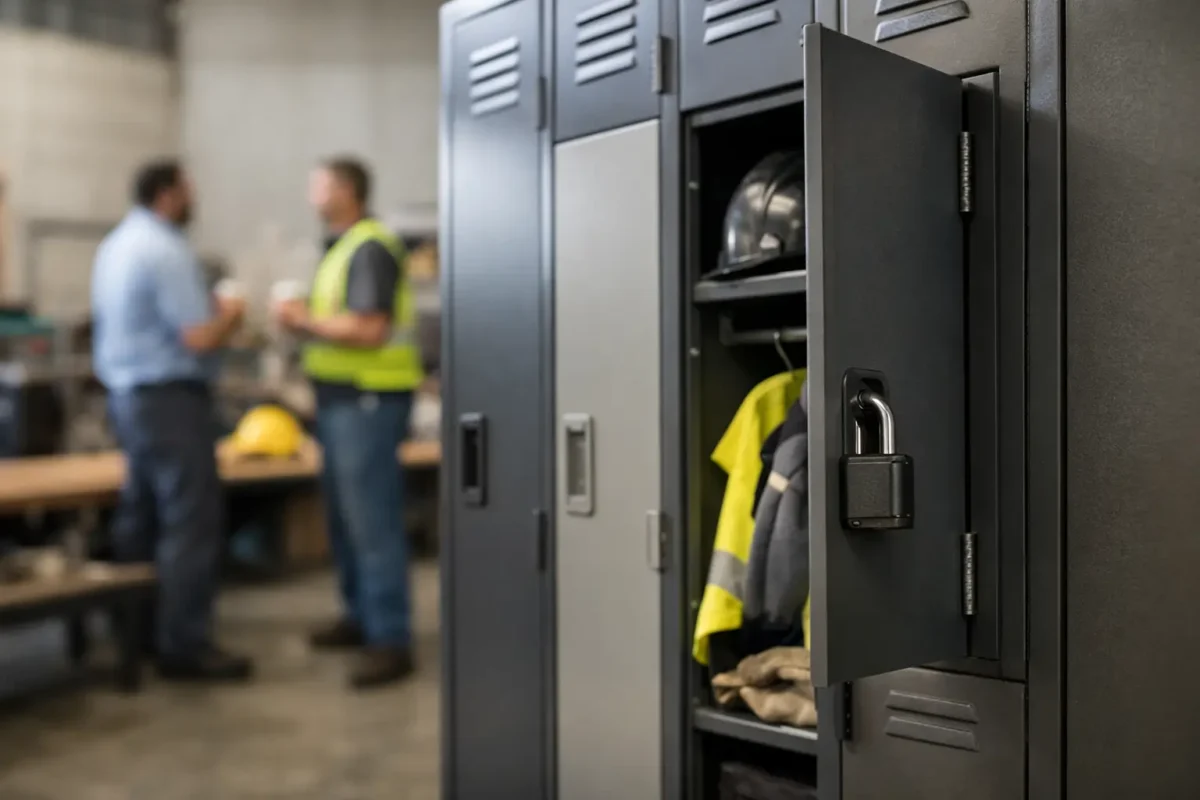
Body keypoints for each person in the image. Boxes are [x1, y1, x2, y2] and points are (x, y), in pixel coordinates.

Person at [92, 160, 253, 682]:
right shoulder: (164, 249)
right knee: (190, 518)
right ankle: (184, 645)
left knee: (141, 515)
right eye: (188, 190)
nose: (193, 198)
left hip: (128, 397)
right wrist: (232, 312)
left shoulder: (116, 245)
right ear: (167, 195)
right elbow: (199, 336)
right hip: (169, 399)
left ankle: (132, 636)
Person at [272, 157, 424, 689]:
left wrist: (302, 320)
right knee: (344, 519)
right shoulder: (339, 249)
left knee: (372, 523)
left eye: (319, 183)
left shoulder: (369, 247)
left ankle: (390, 638)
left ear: (346, 190)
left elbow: (370, 329)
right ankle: (359, 616)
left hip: (368, 401)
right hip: (339, 401)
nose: (312, 193)